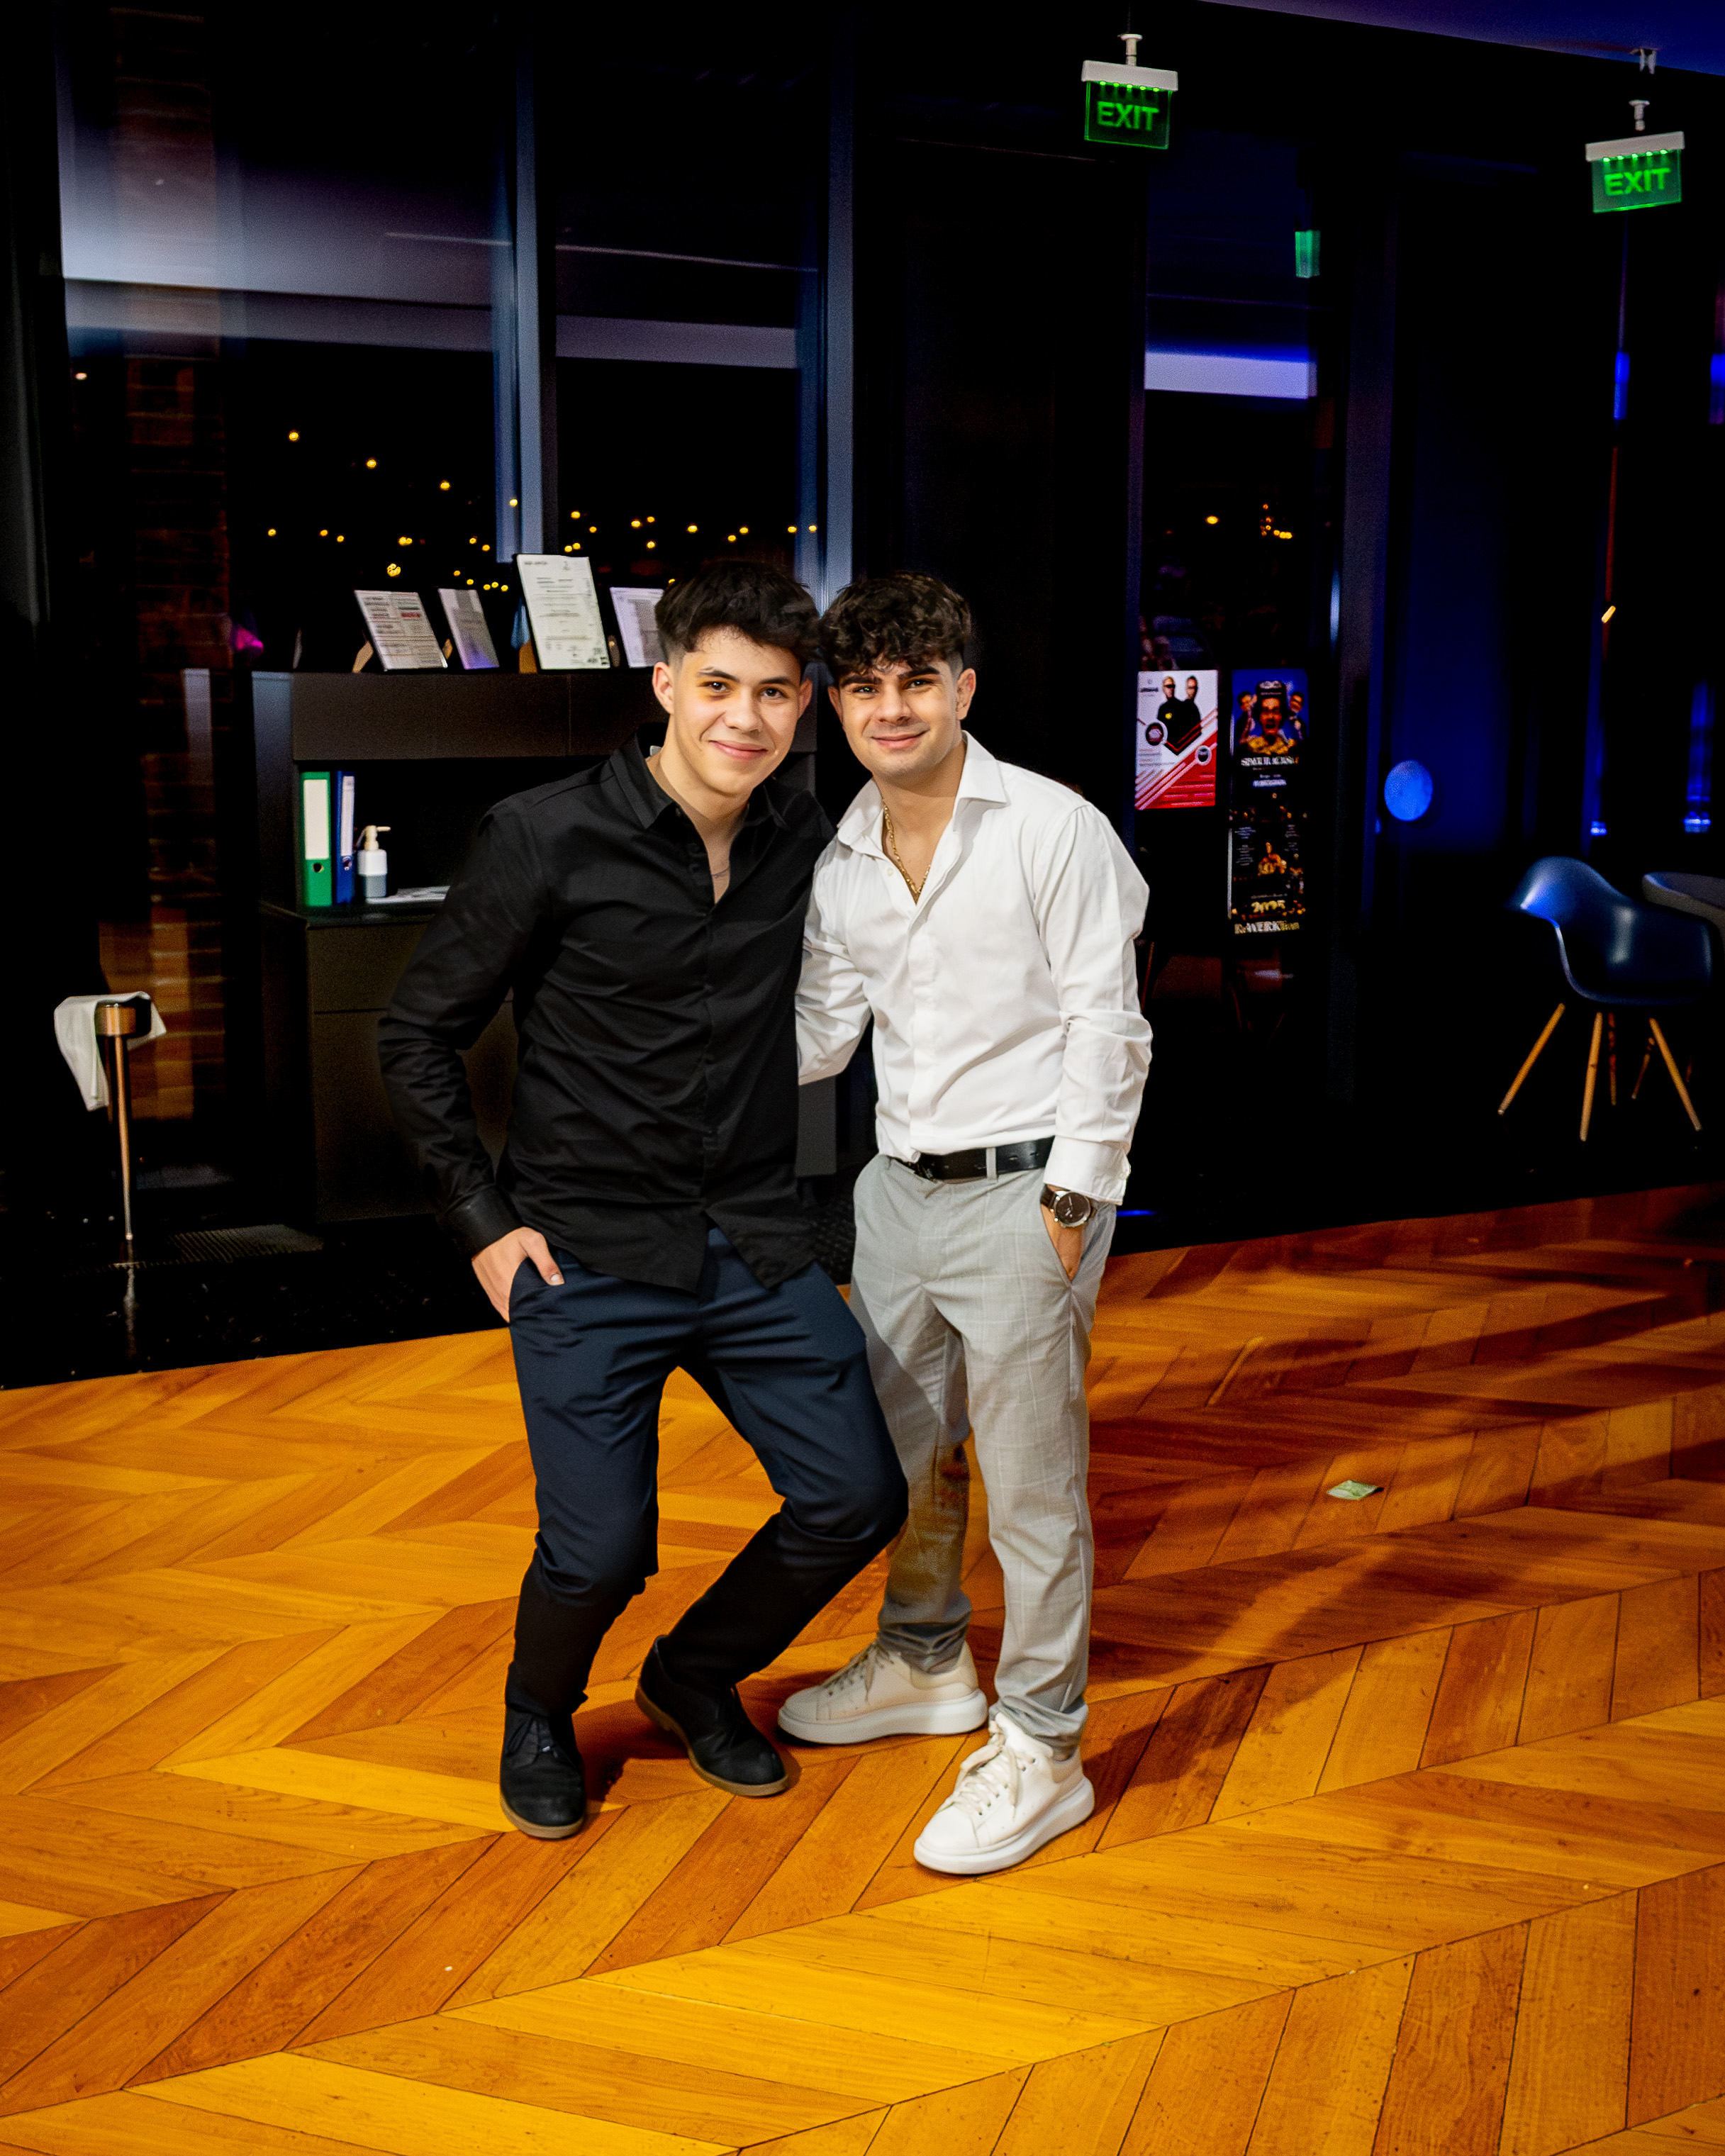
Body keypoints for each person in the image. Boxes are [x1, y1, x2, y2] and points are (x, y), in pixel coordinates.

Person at [379, 562, 908, 1840]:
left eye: (774, 692)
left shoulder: (809, 839)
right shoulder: (543, 833)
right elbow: (414, 1033)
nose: (745, 717)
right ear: (666, 683)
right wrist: (481, 1221)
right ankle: (537, 1712)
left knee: (858, 1497)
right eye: (719, 685)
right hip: (584, 1250)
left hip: (753, 1236)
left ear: (804, 705)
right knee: (600, 1549)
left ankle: (690, 1674)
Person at [783, 571, 1151, 1874]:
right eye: (864, 687)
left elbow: (1109, 1023)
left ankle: (1044, 1744)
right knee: (911, 1458)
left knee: (1032, 1494)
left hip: (1023, 1192)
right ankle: (924, 1659)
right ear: (837, 705)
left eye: (916, 682)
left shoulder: (1053, 828)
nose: (891, 708)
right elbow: (820, 1036)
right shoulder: (842, 856)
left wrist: (1074, 1197)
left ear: (963, 690)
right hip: (894, 1194)